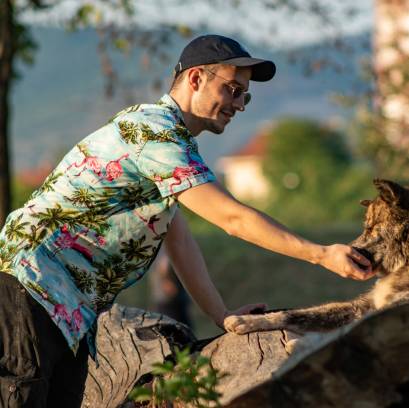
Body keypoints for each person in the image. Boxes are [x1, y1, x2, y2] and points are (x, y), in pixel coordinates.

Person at [0, 34, 373, 407]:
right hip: (31, 287)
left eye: (245, 95)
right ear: (195, 79)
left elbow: (178, 240)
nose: (239, 104)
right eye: (231, 89)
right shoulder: (153, 132)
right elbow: (232, 218)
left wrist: (221, 315)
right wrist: (321, 254)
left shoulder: (171, 145)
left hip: (66, 310)